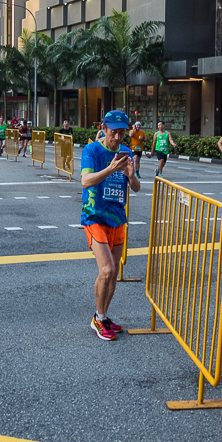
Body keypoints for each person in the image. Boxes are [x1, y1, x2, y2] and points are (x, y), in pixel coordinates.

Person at [80, 110, 140, 340]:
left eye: (122, 133)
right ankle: (98, 317)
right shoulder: (92, 150)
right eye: (113, 132)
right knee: (106, 270)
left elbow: (135, 187)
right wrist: (110, 170)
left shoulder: (126, 152)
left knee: (113, 273)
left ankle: (104, 317)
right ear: (103, 128)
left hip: (118, 218)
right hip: (94, 215)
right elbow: (85, 181)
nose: (117, 137)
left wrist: (131, 175)